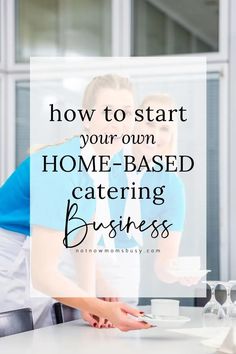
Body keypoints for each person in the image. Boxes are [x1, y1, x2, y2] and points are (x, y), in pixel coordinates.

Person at [0, 74, 151, 331]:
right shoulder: (60, 167)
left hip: (31, 260)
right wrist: (97, 305)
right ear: (87, 118)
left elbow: (84, 237)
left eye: (126, 113)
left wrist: (95, 292)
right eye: (107, 112)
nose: (118, 123)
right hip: (9, 262)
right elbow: (44, 274)